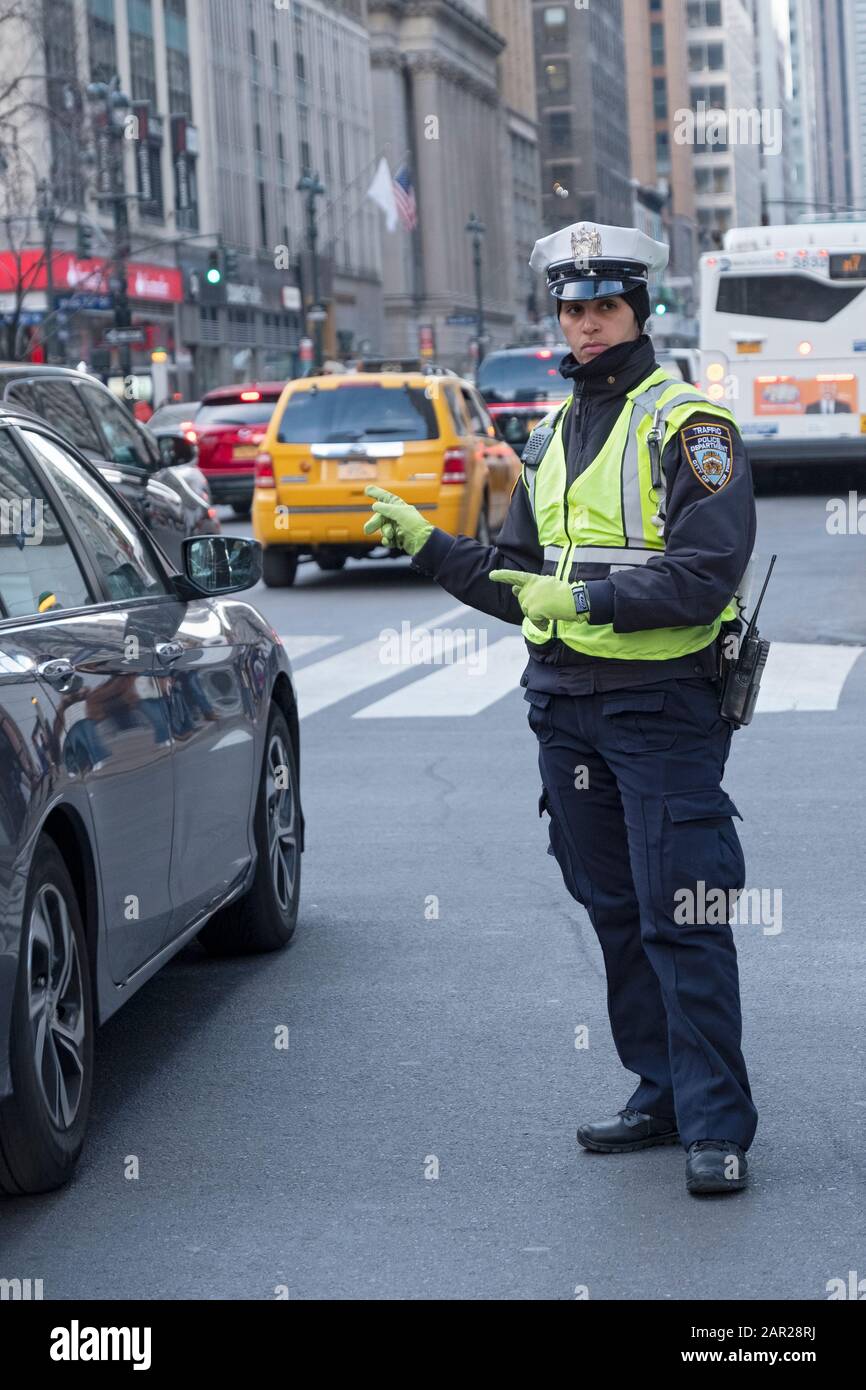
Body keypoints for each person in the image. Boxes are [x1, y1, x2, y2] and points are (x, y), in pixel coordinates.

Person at [363, 220, 758, 1197]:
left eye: (602, 308)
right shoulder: (544, 436)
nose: (584, 326)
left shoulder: (690, 428)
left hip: (660, 705)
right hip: (564, 708)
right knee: (613, 910)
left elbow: (706, 576)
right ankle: (659, 1087)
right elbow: (515, 582)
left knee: (682, 911)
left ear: (637, 311)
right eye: (571, 309)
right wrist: (427, 546)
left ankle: (716, 1123)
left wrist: (583, 600)